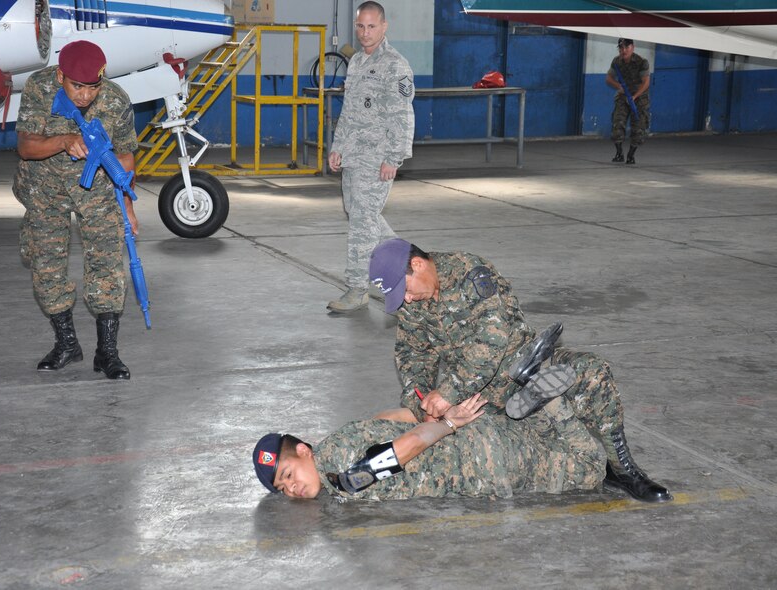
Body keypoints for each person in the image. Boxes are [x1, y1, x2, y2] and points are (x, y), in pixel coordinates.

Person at [367, 238, 673, 503]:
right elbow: (412, 354)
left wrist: (447, 392)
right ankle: (552, 420)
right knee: (498, 453)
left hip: (521, 369)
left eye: (404, 289)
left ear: (418, 264)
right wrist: (422, 401)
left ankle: (623, 470)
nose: (405, 299)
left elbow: (493, 340)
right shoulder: (413, 303)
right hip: (479, 402)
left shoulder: (469, 273)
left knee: (593, 373)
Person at [13, 40, 138, 380]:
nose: (85, 96)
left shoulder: (116, 100)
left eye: (93, 87)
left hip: (97, 191)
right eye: (77, 86)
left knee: (107, 264)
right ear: (60, 76)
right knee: (46, 266)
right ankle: (67, 344)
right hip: (46, 190)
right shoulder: (39, 88)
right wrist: (64, 141)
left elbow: (126, 156)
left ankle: (107, 353)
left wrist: (127, 205)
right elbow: (25, 146)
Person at [253, 393, 605, 501]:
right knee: (542, 439)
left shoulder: (344, 476)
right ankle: (537, 405)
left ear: (304, 452)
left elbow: (402, 449)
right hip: (476, 438)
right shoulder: (339, 440)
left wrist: (449, 423)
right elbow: (387, 419)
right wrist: (433, 413)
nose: (292, 488)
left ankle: (554, 403)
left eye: (288, 475)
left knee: (590, 469)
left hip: (481, 463)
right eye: (283, 489)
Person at [326, 1, 415, 314]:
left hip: (377, 158)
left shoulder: (395, 65)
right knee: (361, 216)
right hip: (353, 155)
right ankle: (413, 267)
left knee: (363, 222)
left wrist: (394, 157)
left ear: (384, 26)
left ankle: (357, 288)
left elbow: (403, 117)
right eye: (360, 26)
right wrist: (337, 147)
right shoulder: (357, 62)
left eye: (372, 26)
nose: (365, 33)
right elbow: (349, 113)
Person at [605, 38, 650, 165]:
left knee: (639, 128)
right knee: (617, 123)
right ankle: (619, 153)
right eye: (621, 48)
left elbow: (646, 82)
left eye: (626, 47)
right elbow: (608, 78)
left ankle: (631, 155)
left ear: (632, 47)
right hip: (623, 97)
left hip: (639, 97)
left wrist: (635, 96)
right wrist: (618, 86)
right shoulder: (617, 62)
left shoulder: (642, 62)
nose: (623, 50)